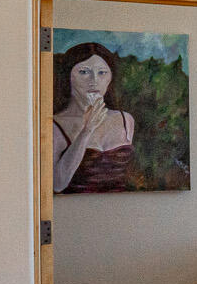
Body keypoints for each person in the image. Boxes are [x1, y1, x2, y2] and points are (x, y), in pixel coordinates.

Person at [52, 42, 136, 193]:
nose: (94, 80)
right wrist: (87, 130)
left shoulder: (125, 120)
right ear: (68, 76)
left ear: (110, 78)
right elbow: (58, 184)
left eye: (102, 72)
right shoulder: (54, 125)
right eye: (84, 72)